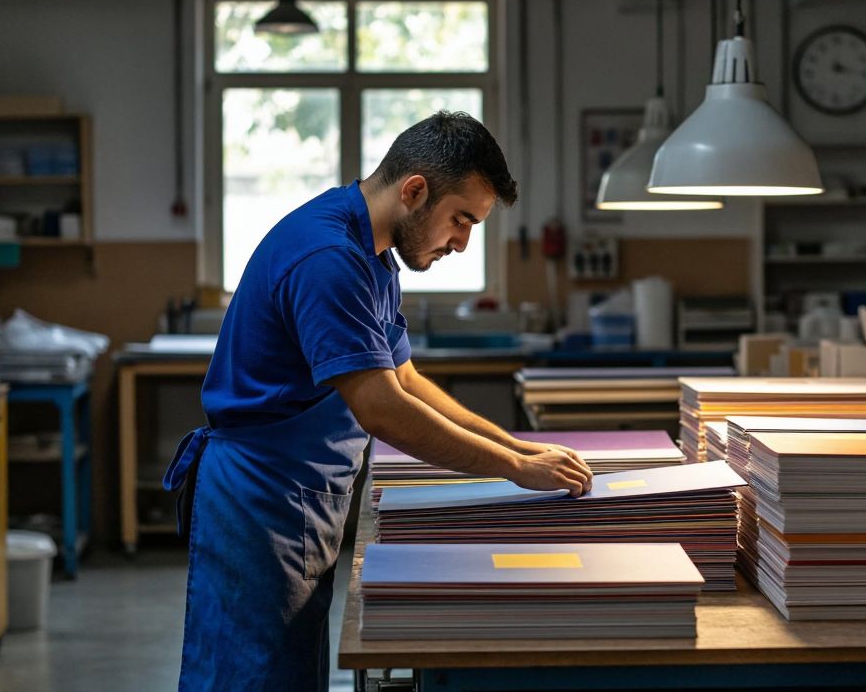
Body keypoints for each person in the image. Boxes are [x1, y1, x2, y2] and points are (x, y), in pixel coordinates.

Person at [163, 111, 593, 691]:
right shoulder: (329, 258)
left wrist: (515, 444)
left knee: (289, 672)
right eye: (460, 220)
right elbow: (383, 408)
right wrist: (516, 469)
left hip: (298, 496)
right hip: (258, 499)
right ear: (415, 190)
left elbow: (406, 380)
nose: (463, 243)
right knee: (250, 677)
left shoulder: (374, 256)